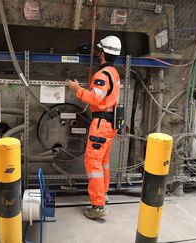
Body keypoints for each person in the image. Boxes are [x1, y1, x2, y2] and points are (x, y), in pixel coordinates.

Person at [68, 36, 121, 219]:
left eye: (99, 51)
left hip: (101, 124)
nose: (98, 54)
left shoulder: (102, 75)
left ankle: (98, 206)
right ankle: (103, 194)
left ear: (103, 53)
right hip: (110, 124)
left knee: (93, 163)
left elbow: (96, 99)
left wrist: (77, 89)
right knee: (103, 161)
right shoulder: (114, 73)